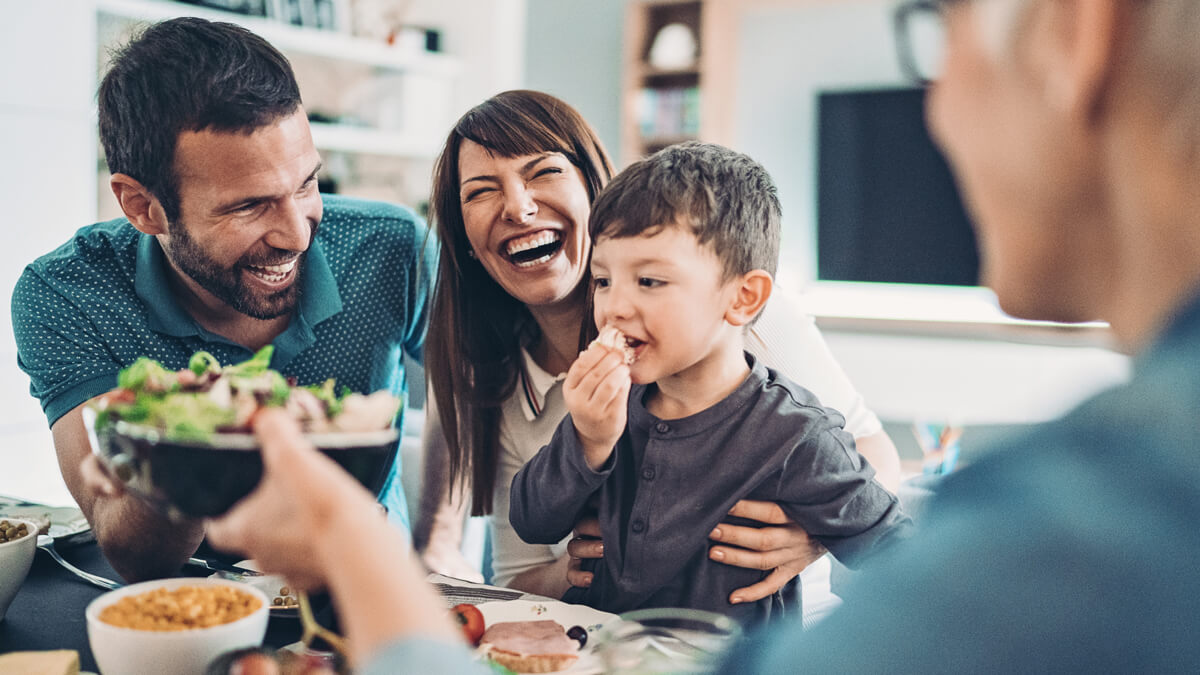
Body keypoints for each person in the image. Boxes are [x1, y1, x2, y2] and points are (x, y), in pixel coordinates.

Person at [210, 0, 1200, 671]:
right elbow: (533, 527)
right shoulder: (541, 382)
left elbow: (873, 504)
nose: (936, 105)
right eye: (481, 191)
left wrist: (341, 537)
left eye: (934, 32)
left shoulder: (1092, 522)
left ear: (1077, 36)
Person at [417, 89, 903, 605]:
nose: (519, 206)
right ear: (463, 237)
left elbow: (880, 505)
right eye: (481, 191)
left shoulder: (741, 328)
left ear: (592, 191)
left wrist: (814, 536)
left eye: (543, 172)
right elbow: (526, 544)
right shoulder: (593, 403)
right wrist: (586, 448)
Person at [11, 17, 433, 583]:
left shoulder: (391, 247)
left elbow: (487, 398)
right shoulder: (66, 294)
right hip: (189, 609)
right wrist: (193, 428)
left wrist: (446, 541)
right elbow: (131, 550)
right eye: (249, 206)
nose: (298, 235)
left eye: (307, 184)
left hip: (374, 594)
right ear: (141, 206)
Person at [509, 142, 911, 622]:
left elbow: (900, 558)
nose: (613, 307)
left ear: (743, 297)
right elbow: (532, 522)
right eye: (602, 281)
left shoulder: (795, 435)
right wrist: (588, 440)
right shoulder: (610, 410)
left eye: (649, 281)